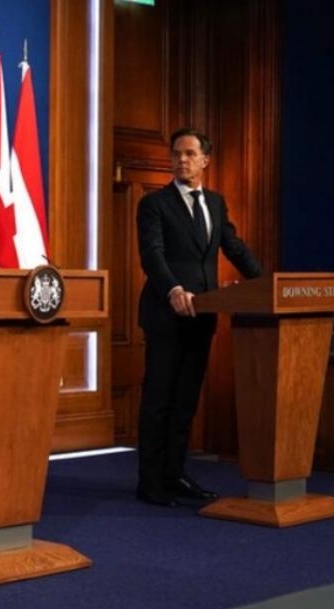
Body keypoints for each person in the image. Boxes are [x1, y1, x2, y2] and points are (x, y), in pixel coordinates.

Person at [135, 127, 261, 507]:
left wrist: (267, 285)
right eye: (177, 154)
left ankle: (174, 474)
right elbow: (152, 254)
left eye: (190, 154)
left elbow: (234, 247)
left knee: (185, 401)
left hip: (202, 315)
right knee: (159, 399)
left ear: (205, 160)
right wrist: (173, 289)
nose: (182, 160)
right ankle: (150, 482)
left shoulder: (216, 203)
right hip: (165, 314)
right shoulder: (154, 204)